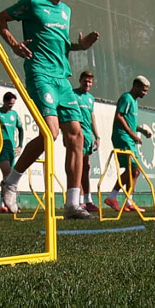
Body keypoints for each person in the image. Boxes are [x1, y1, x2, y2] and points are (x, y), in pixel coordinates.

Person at [0, 0, 99, 220]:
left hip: (62, 78)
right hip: (40, 74)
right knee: (50, 131)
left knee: (77, 137)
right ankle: (11, 181)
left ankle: (73, 204)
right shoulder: (31, 3)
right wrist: (15, 44)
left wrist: (79, 46)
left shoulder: (66, 11)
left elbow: (60, 44)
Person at [103, 76, 153, 213]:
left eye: (147, 91)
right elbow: (119, 116)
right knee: (133, 169)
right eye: (143, 90)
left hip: (129, 138)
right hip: (122, 137)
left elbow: (130, 121)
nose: (145, 93)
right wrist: (131, 134)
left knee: (135, 172)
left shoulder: (135, 102)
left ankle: (129, 202)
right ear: (136, 86)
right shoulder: (126, 98)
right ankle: (112, 197)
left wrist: (142, 130)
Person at [72, 71, 100, 213]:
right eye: (85, 81)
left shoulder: (90, 98)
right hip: (78, 134)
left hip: (88, 136)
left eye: (89, 82)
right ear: (80, 80)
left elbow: (92, 117)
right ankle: (81, 200)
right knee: (80, 167)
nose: (87, 84)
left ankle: (88, 200)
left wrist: (97, 136)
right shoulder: (72, 94)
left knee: (86, 168)